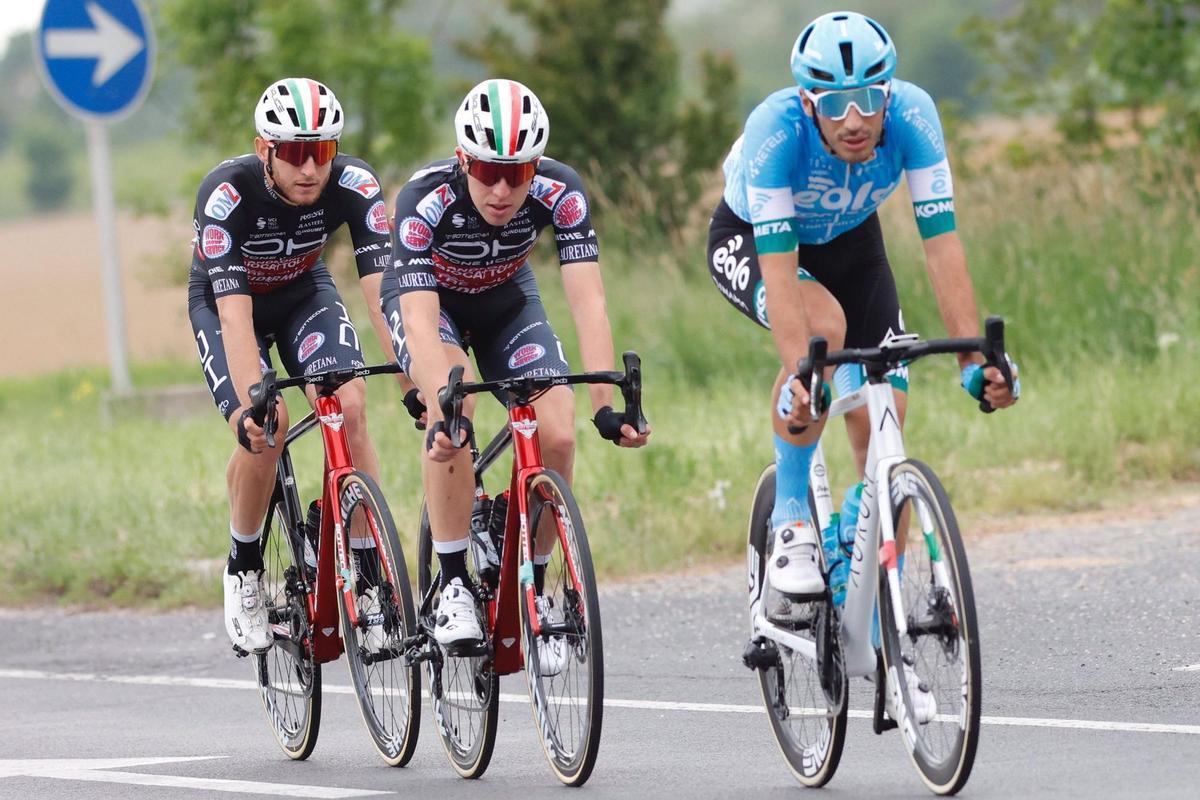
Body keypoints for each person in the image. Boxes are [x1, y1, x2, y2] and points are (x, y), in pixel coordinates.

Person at [708, 12, 1018, 718]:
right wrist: (802, 377)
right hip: (758, 245)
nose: (856, 119)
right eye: (836, 102)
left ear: (889, 92)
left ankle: (878, 638)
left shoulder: (913, 115)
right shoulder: (775, 133)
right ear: (807, 101)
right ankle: (791, 518)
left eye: (870, 97)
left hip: (853, 246)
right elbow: (783, 280)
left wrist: (976, 359)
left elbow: (942, 246)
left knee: (887, 429)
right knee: (823, 334)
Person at [380, 79, 650, 666]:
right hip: (432, 306)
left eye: (518, 172)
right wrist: (438, 400)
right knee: (459, 413)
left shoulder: (562, 190)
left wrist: (607, 401)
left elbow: (588, 303)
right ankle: (453, 581)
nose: (502, 189)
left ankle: (540, 588)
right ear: (462, 159)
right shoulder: (423, 200)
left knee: (558, 433)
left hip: (507, 301)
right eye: (486, 170)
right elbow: (421, 323)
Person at [188, 78, 397, 654]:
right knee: (268, 424)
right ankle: (245, 563)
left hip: (304, 291)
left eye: (322, 153)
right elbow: (233, 318)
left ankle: (370, 575)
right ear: (265, 151)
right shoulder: (226, 194)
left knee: (350, 404)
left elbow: (383, 295)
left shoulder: (355, 183)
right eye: (297, 155)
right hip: (230, 305)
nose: (311, 169)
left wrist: (413, 380)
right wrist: (248, 402)